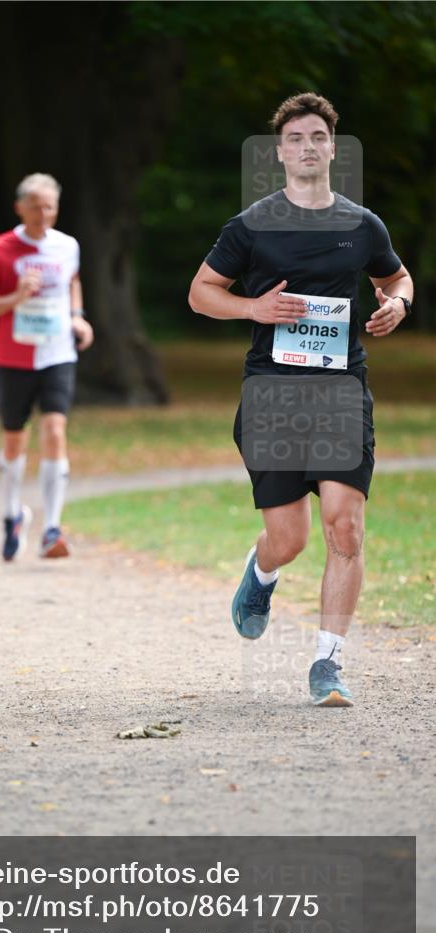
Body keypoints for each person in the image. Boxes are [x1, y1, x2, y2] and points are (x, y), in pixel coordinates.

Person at [188, 93, 413, 707]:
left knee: (345, 525)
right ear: (280, 151)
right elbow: (201, 292)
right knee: (290, 537)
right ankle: (262, 573)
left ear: (332, 147)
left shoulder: (362, 224)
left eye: (318, 136)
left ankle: (327, 664)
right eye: (296, 138)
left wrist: (399, 302)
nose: (308, 146)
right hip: (272, 395)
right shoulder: (251, 225)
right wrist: (252, 308)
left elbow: (394, 275)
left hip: (341, 393)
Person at [0, 173, 94, 560]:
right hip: (14, 357)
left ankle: (52, 527)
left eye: (50, 207)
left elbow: (72, 281)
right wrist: (15, 296)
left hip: (57, 354)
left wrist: (77, 316)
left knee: (55, 430)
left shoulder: (67, 246)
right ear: (19, 208)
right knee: (14, 440)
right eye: (35, 207)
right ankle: (12, 516)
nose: (43, 214)